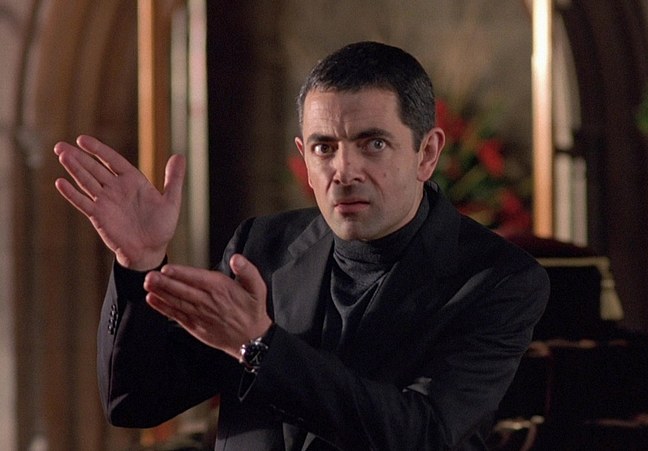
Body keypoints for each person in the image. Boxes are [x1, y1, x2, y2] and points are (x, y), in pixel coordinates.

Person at [53, 41, 549, 450]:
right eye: (324, 147)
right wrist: (139, 263)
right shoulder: (262, 247)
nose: (344, 171)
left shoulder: (498, 279)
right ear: (304, 157)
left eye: (373, 144)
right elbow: (136, 402)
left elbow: (423, 435)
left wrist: (260, 347)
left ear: (427, 153)